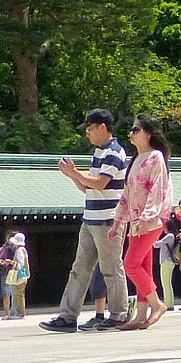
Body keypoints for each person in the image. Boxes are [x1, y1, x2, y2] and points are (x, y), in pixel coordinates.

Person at [40, 109, 130, 333]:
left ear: (103, 128)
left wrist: (75, 172)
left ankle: (119, 314)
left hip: (108, 220)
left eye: (90, 129)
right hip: (91, 219)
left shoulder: (114, 152)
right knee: (79, 269)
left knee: (111, 268)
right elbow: (88, 187)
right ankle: (68, 317)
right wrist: (72, 175)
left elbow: (100, 183)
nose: (88, 134)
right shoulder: (99, 153)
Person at [110, 114, 174, 330]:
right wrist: (118, 222)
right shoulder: (135, 160)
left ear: (148, 134)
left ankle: (157, 304)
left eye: (136, 130)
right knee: (143, 265)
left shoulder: (155, 157)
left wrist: (148, 216)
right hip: (137, 220)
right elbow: (127, 195)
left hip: (151, 219)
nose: (132, 133)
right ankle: (140, 314)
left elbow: (158, 189)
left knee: (131, 264)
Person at [1, 232, 27, 319]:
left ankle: (20, 314)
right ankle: (19, 313)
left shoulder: (19, 251)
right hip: (23, 275)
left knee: (18, 295)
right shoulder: (22, 250)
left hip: (20, 275)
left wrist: (11, 262)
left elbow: (21, 264)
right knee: (19, 294)